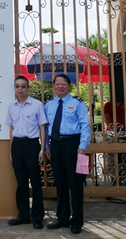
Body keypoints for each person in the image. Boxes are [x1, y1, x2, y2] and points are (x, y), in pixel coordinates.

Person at [44, 73, 91, 234]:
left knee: (76, 184)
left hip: (73, 145)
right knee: (60, 183)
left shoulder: (77, 103)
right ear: (54, 86)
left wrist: (82, 147)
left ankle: (76, 220)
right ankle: (62, 218)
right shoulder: (49, 104)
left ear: (68, 86)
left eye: (63, 84)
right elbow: (45, 128)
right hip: (55, 146)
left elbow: (85, 125)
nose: (60, 86)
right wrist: (46, 146)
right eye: (57, 84)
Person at [5, 75, 48, 229]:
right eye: (17, 86)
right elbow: (11, 129)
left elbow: (42, 128)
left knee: (36, 183)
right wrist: (11, 150)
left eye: (23, 86)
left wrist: (42, 150)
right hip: (17, 145)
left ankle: (37, 217)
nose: (20, 89)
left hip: (31, 145)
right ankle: (23, 215)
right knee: (21, 183)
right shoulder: (12, 106)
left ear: (28, 88)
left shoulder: (36, 105)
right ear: (15, 89)